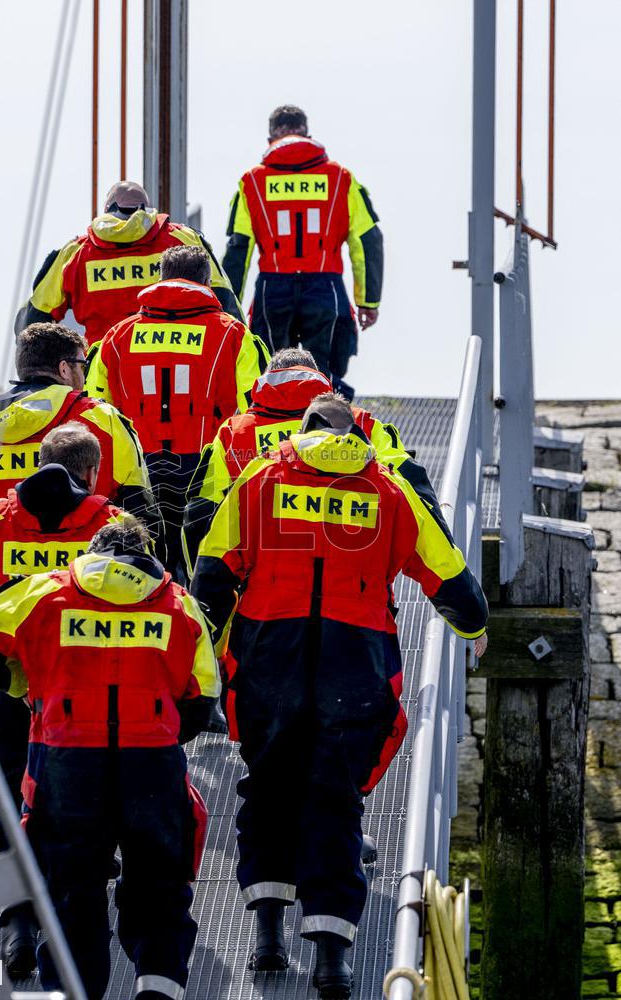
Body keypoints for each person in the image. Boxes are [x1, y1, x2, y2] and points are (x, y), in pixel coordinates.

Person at [190, 394, 488, 998]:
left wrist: (204, 664)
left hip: (270, 652)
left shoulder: (261, 476)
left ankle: (269, 934)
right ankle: (333, 958)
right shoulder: (389, 488)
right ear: (356, 433)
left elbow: (213, 573)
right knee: (336, 798)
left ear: (300, 432)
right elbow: (449, 577)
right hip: (357, 660)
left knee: (268, 786)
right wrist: (474, 629)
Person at [0, 517, 221, 1000]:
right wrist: (160, 730)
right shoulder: (179, 604)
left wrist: (23, 684)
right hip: (151, 762)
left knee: (71, 889)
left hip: (66, 762)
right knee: (160, 887)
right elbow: (202, 700)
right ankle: (156, 990)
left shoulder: (44, 592)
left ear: (93, 552)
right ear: (147, 557)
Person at [0, 422, 132, 979]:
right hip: (82, 691)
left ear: (36, 463)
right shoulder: (111, 526)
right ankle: (64, 934)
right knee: (81, 802)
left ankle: (17, 924)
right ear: (90, 473)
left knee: (5, 794)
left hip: (3, 684)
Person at [86, 245, 269, 584]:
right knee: (206, 580)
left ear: (160, 279)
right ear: (206, 281)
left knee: (145, 575)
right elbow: (255, 412)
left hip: (138, 476)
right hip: (205, 476)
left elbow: (95, 416)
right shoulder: (233, 334)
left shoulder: (116, 336)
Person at [0, 322, 161, 549]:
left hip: (2, 590)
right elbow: (141, 513)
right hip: (87, 584)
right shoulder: (102, 419)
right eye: (82, 365)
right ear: (65, 368)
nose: (84, 374)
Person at [183, 347, 419, 575]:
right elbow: (412, 489)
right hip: (356, 591)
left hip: (259, 597)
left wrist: (206, 594)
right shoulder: (361, 424)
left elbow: (199, 518)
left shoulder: (233, 434)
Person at [221, 105, 383, 392]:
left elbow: (238, 251)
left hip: (273, 288)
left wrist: (227, 309)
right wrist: (368, 301)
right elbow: (367, 240)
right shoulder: (341, 178)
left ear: (271, 137)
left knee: (270, 375)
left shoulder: (252, 181)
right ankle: (322, 430)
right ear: (307, 133)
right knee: (323, 378)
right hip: (326, 287)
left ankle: (273, 430)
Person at [15, 180, 243, 346]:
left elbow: (35, 318)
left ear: (107, 210)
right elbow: (226, 302)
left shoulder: (76, 253)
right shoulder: (183, 239)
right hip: (179, 367)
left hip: (102, 372)